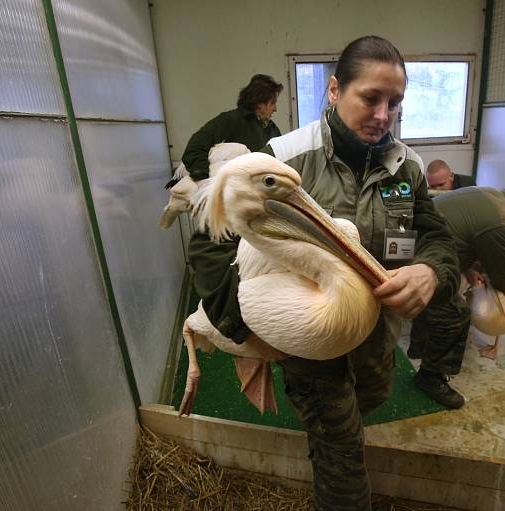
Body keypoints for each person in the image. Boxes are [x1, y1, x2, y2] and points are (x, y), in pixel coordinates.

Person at [187, 36, 460, 510]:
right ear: (334, 90)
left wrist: (430, 271)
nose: (383, 114)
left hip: (376, 338)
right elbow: (211, 244)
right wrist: (246, 328)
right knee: (343, 459)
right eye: (370, 98)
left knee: (361, 415)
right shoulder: (283, 157)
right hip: (309, 344)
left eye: (394, 102)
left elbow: (434, 234)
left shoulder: (408, 167)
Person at [408, 187, 505, 409]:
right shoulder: (504, 221)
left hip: (411, 241)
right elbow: (502, 272)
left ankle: (419, 348)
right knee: (456, 313)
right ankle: (430, 376)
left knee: (430, 300)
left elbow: (461, 234)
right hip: (424, 251)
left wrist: (468, 267)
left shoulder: (486, 193)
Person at [181, 74, 283, 181]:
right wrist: (202, 176)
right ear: (259, 103)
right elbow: (196, 143)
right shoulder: (232, 120)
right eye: (272, 103)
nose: (275, 109)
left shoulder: (272, 128)